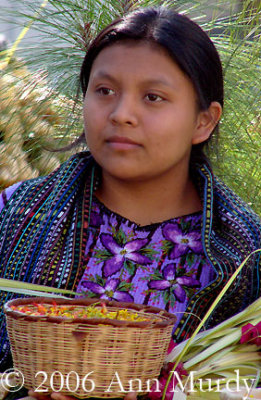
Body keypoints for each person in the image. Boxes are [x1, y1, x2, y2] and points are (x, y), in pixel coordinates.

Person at [0, 5, 260, 400]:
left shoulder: (245, 255)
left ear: (203, 122)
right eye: (104, 91)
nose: (122, 114)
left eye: (153, 97)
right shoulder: (16, 213)